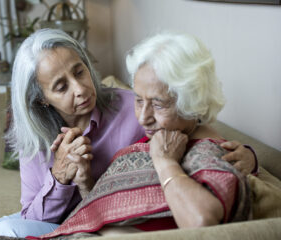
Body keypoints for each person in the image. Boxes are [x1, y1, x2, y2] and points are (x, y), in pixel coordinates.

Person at [0, 29, 255, 240]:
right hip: (53, 224)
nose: (80, 89)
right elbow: (31, 216)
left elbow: (190, 122)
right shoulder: (37, 137)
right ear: (42, 99)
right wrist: (60, 177)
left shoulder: (132, 109)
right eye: (61, 86)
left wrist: (248, 155)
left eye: (79, 71)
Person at [39, 32, 252, 239]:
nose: (142, 118)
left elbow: (201, 223)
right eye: (139, 100)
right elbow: (106, 213)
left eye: (158, 104)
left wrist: (165, 162)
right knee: (6, 226)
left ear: (192, 101)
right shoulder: (161, 137)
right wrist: (86, 184)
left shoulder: (207, 152)